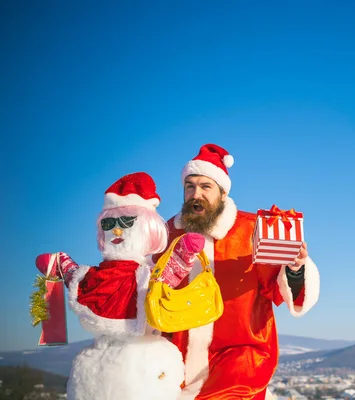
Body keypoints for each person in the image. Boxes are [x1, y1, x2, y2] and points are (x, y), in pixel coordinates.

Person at [153, 144, 320, 400]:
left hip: (240, 356)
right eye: (190, 186)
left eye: (205, 187)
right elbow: (150, 291)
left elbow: (279, 290)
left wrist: (295, 268)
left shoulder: (252, 230)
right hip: (177, 356)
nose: (196, 194)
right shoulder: (167, 234)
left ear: (222, 193)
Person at [35, 172, 206, 400]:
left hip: (142, 364)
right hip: (99, 367)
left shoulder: (146, 276)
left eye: (127, 222)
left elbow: (168, 276)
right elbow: (72, 275)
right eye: (109, 223)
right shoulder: (91, 277)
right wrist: (58, 264)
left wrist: (184, 254)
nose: (117, 230)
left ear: (148, 227)